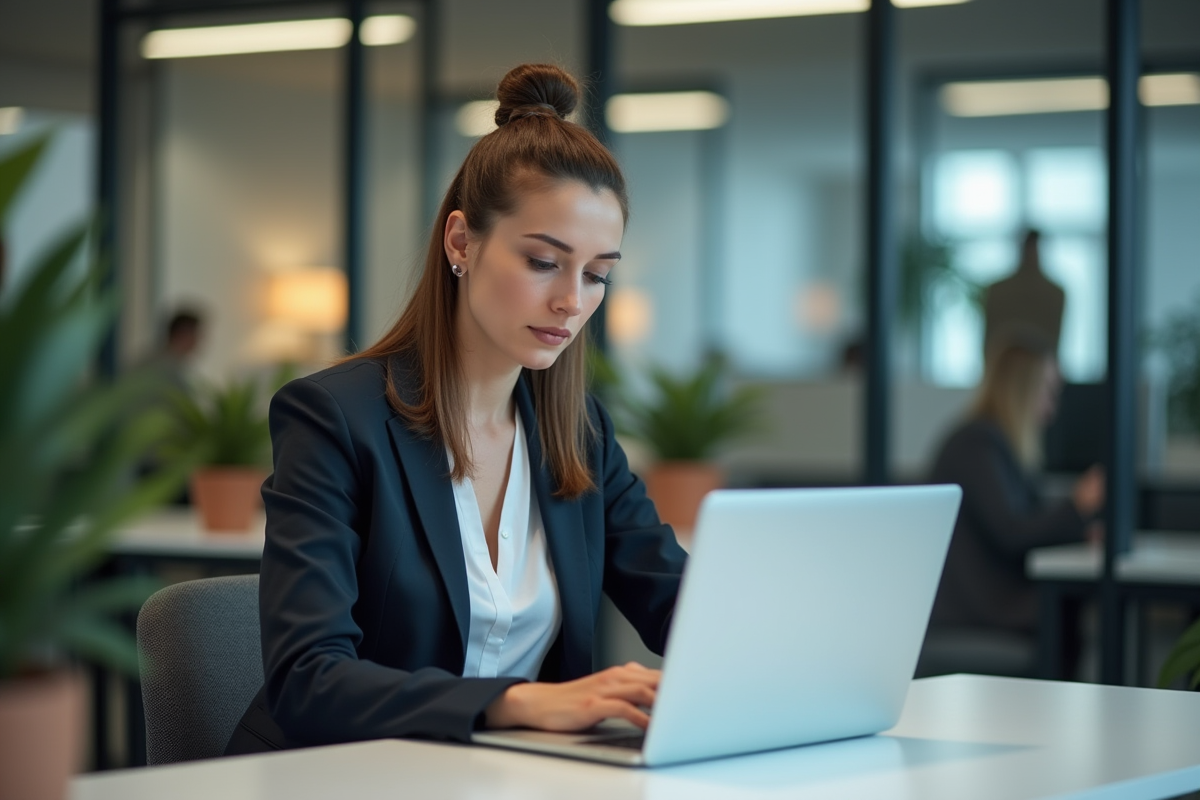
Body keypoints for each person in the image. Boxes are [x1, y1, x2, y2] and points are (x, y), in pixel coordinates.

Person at [225, 64, 687, 755]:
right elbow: (307, 680)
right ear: (461, 243)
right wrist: (522, 703)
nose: (572, 300)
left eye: (597, 275)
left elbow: (685, 610)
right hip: (342, 777)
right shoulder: (332, 418)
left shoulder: (580, 433)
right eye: (542, 262)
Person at [927, 332, 1104, 666]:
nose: (1052, 408)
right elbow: (1013, 532)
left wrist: (1080, 532)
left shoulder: (996, 446)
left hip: (991, 594)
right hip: (976, 604)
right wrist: (1077, 506)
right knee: (1064, 608)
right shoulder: (975, 445)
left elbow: (1028, 521)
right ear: (1024, 390)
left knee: (1068, 608)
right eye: (1048, 392)